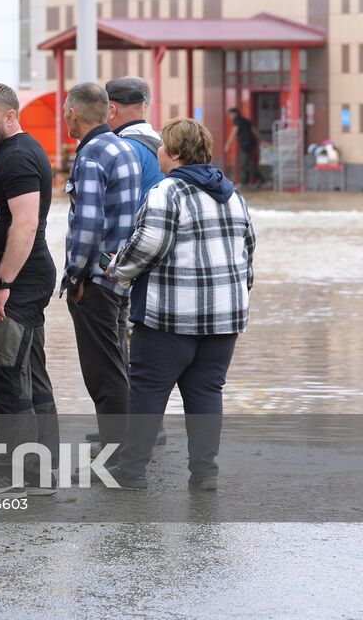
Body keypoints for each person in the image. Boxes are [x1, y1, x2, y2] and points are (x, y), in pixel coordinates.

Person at [107, 118, 255, 491]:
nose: (157, 151)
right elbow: (247, 254)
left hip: (169, 318)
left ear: (173, 153)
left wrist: (115, 269)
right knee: (206, 393)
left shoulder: (167, 191)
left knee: (148, 393)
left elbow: (147, 246)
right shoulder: (234, 195)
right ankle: (204, 473)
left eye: (161, 146)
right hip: (224, 318)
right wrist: (236, 297)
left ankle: (132, 471)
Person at [0, 83, 61, 498]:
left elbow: (25, 224)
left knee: (1, 375)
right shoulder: (7, 153)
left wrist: (1, 284)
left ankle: (13, 474)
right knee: (29, 374)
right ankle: (40, 473)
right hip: (17, 279)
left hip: (18, 281)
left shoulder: (18, 155)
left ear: (9, 115)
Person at [62, 82, 141, 464]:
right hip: (122, 275)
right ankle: (125, 447)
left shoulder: (91, 154)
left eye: (66, 112)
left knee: (102, 371)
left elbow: (88, 224)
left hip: (96, 280)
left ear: (74, 113)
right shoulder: (123, 147)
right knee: (118, 363)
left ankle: (116, 456)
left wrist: (74, 278)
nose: (65, 119)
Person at [106, 76, 164, 207]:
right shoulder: (162, 144)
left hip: (134, 226)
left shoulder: (119, 149)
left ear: (112, 110)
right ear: (144, 106)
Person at [224, 107, 266, 189]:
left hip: (245, 144)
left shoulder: (237, 120)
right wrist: (261, 140)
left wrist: (228, 143)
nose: (230, 116)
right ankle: (245, 182)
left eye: (230, 114)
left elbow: (234, 132)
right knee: (244, 163)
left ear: (234, 113)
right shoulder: (246, 120)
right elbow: (255, 131)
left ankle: (260, 179)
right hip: (250, 144)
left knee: (245, 164)